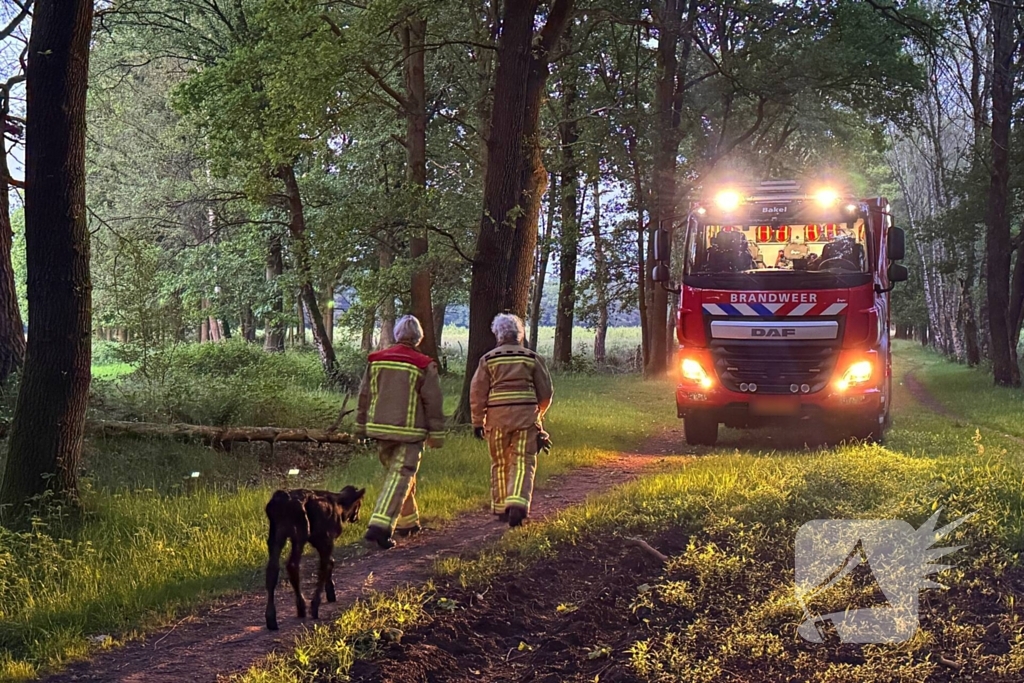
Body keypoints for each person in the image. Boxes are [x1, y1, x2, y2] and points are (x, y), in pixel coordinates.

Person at [355, 315, 445, 550]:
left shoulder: (376, 360)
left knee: (399, 477)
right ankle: (379, 526)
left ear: (396, 335)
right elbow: (433, 402)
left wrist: (360, 426)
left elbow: (364, 395)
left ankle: (409, 523)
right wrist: (436, 433)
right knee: (401, 477)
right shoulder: (424, 364)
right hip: (409, 432)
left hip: (379, 430)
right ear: (418, 338)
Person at [470, 313, 553, 528]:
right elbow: (545, 392)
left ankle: (500, 507)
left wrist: (478, 421)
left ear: (497, 334)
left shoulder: (488, 360)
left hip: (496, 422)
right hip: (526, 420)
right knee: (523, 462)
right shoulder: (532, 358)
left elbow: (477, 392)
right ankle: (518, 502)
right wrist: (538, 414)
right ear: (519, 334)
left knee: (500, 463)